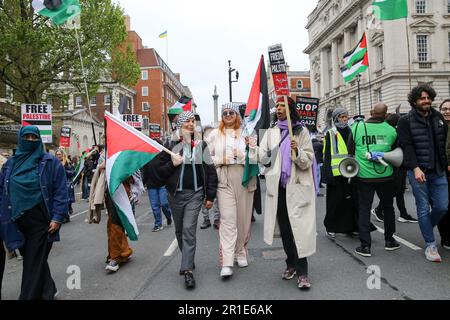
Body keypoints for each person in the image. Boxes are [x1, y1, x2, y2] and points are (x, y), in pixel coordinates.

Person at [248, 96, 316, 290]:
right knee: (286, 230)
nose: (278, 109)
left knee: (299, 231)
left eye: (281, 106)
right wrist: (253, 147)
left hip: (296, 187)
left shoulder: (301, 131)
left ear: (290, 108)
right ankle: (291, 264)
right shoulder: (271, 132)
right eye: (276, 106)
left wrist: (298, 152)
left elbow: (308, 161)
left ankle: (303, 273)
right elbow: (265, 158)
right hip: (278, 188)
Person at [0, 126, 69, 300]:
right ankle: (47, 290)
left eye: (34, 137)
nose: (30, 140)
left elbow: (61, 191)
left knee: (32, 261)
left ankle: (27, 296)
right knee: (34, 259)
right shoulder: (10, 164)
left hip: (41, 220)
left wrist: (57, 217)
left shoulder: (51, 162)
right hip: (15, 221)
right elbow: (2, 191)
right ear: (20, 139)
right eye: (27, 137)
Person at [152, 111, 218, 289]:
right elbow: (159, 173)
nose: (191, 123)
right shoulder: (170, 145)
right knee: (180, 231)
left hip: (195, 195)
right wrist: (172, 164)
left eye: (192, 121)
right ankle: (188, 258)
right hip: (175, 196)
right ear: (180, 125)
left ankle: (187, 269)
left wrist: (210, 196)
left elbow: (210, 171)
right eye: (187, 121)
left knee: (189, 229)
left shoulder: (201, 145)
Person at [398, 86, 449, 262]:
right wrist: (415, 167)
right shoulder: (405, 121)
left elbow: (444, 143)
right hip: (418, 171)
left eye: (428, 97)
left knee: (443, 206)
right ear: (414, 101)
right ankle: (430, 244)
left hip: (439, 170)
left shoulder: (438, 117)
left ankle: (426, 225)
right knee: (422, 208)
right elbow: (406, 145)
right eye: (422, 98)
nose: (426, 100)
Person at [207, 103, 257, 279]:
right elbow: (206, 157)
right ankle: (227, 261)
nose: (228, 115)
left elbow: (259, 157)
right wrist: (222, 158)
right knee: (228, 220)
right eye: (225, 113)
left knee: (243, 219)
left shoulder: (247, 133)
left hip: (244, 177)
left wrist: (249, 149)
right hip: (224, 178)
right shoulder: (214, 134)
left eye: (231, 112)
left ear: (237, 115)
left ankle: (240, 252)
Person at [349, 103, 401, 257]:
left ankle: (365, 246)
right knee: (388, 208)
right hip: (386, 175)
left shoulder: (357, 128)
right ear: (385, 115)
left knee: (364, 208)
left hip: (364, 176)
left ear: (371, 112)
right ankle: (390, 241)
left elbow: (350, 149)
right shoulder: (392, 130)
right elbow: (396, 152)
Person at [370, 114, 418, 223]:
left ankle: (403, 214)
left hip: (400, 165)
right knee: (394, 190)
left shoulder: (393, 131)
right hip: (394, 165)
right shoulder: (392, 133)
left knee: (400, 190)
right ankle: (379, 209)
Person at [322, 108, 359, 237]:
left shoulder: (352, 130)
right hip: (336, 172)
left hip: (351, 170)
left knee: (350, 201)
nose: (344, 119)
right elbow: (326, 154)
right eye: (341, 117)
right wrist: (327, 174)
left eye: (345, 117)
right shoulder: (330, 133)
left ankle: (351, 227)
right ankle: (331, 226)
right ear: (336, 118)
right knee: (335, 201)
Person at [141, 139, 173, 232]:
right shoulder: (147, 156)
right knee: (155, 205)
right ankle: (158, 224)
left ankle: (168, 216)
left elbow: (170, 165)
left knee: (164, 204)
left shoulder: (164, 154)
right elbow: (145, 171)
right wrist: (143, 184)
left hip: (163, 183)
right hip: (151, 185)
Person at [439, 99, 450, 249]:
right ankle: (446, 237)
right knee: (443, 207)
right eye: (444, 109)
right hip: (440, 172)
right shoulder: (436, 126)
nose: (447, 111)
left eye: (449, 109)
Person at [55, 148, 75, 221]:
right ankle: (64, 215)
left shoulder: (67, 162)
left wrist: (63, 168)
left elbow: (73, 173)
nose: (58, 156)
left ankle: (66, 216)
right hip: (57, 184)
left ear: (63, 155)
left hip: (66, 183)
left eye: (59, 154)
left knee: (65, 200)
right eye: (57, 154)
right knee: (60, 201)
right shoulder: (54, 163)